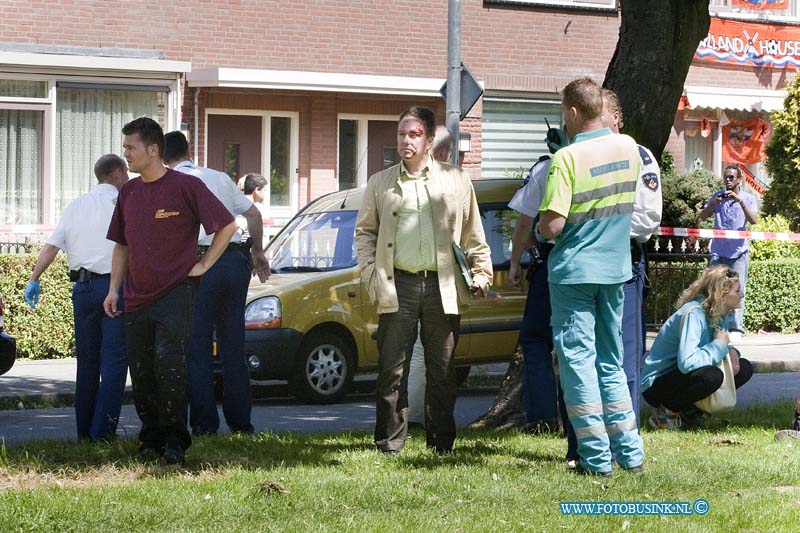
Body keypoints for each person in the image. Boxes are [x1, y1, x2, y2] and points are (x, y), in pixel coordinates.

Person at [355, 106, 492, 455]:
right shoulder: (380, 182)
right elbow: (365, 234)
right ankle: (389, 444)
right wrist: (370, 274)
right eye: (401, 134)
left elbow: (475, 233)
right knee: (391, 370)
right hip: (396, 284)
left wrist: (481, 273)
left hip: (440, 286)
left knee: (443, 370)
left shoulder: (456, 179)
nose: (405, 141)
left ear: (429, 140)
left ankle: (441, 443)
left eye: (414, 134)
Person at [103, 117, 238, 464]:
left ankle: (176, 442)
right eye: (125, 148)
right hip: (135, 296)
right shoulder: (129, 192)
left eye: (131, 148)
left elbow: (227, 225)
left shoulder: (185, 186)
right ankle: (151, 439)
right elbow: (121, 244)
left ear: (153, 149)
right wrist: (114, 289)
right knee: (143, 371)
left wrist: (204, 264)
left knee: (170, 367)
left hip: (176, 293)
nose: (126, 155)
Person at [537, 77, 643, 477]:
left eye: (564, 111)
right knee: (611, 361)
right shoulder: (629, 147)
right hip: (615, 269)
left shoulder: (566, 160)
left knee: (577, 362)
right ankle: (630, 454)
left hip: (574, 272)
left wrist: (539, 230)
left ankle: (596, 460)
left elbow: (553, 224)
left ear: (573, 111)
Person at [162, 131, 270, 437]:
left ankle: (204, 424)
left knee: (197, 347)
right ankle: (241, 424)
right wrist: (259, 252)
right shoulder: (220, 177)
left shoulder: (171, 183)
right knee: (233, 345)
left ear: (163, 157)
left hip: (199, 263)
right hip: (234, 261)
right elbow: (252, 213)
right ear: (188, 152)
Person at [23, 154, 130, 441]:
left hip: (82, 289)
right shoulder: (124, 203)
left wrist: (34, 280)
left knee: (87, 364)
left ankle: (84, 433)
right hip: (114, 288)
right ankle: (103, 433)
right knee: (114, 363)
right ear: (118, 173)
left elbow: (51, 247)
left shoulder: (75, 206)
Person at [507, 127, 578, 466]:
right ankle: (577, 425)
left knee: (535, 339)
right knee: (577, 345)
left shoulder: (546, 168)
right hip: (591, 262)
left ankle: (542, 415)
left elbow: (524, 222)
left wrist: (515, 262)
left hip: (551, 263)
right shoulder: (594, 161)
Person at [600, 89, 663, 426]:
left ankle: (625, 433)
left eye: (601, 114)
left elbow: (647, 218)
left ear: (617, 119)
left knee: (624, 352)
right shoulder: (578, 156)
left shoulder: (638, 155)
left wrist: (604, 231)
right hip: (585, 262)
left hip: (621, 258)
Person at [641, 266, 753, 429]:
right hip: (657, 384)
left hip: (680, 376)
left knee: (743, 368)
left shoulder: (720, 313)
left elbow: (713, 346)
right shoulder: (695, 314)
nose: (741, 295)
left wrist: (731, 351)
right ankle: (665, 415)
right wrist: (720, 346)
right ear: (721, 294)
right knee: (712, 376)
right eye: (737, 291)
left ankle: (689, 414)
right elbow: (687, 363)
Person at [407, 124, 454, 428]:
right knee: (435, 357)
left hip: (409, 279)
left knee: (416, 355)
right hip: (438, 281)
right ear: (445, 152)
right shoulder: (450, 183)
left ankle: (413, 418)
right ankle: (423, 420)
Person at [698, 165, 759, 336]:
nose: (728, 180)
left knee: (739, 290)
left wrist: (739, 201)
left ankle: (736, 329)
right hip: (719, 251)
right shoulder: (717, 196)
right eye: (726, 177)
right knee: (713, 288)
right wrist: (712, 204)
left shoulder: (748, 198)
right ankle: (713, 324)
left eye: (732, 177)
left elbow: (754, 220)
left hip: (739, 251)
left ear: (740, 179)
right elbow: (702, 216)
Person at [236, 173, 268, 241]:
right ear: (257, 190)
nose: (265, 194)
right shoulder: (247, 208)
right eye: (264, 190)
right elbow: (236, 234)